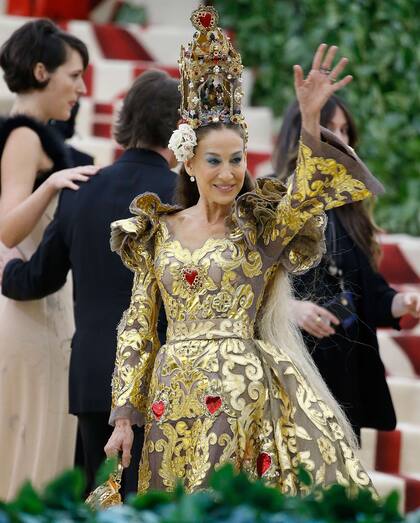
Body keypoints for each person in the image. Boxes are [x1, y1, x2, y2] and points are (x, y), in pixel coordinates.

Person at [103, 7, 384, 495]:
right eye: (215, 160)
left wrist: (312, 118)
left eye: (237, 160)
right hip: (171, 397)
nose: (228, 173)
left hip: (243, 395)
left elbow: (307, 196)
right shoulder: (154, 231)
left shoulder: (259, 228)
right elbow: (138, 324)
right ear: (189, 161)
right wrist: (124, 415)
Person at [2, 70, 180, 496]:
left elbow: (33, 281)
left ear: (126, 120)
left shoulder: (81, 188)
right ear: (178, 130)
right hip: (167, 375)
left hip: (94, 375)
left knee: (97, 500)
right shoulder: (184, 199)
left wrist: (6, 263)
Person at [274, 95, 420, 442]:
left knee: (339, 483)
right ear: (304, 130)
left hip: (344, 365)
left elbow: (369, 288)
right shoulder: (272, 194)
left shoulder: (350, 205)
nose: (341, 138)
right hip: (292, 364)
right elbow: (246, 278)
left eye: (345, 130)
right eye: (330, 127)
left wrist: (401, 303)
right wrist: (288, 308)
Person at [0, 19, 97, 500]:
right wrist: (52, 185)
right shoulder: (24, 137)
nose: (81, 87)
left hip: (43, 311)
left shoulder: (37, 137)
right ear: (41, 72)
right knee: (33, 462)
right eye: (73, 75)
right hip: (31, 315)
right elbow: (8, 227)